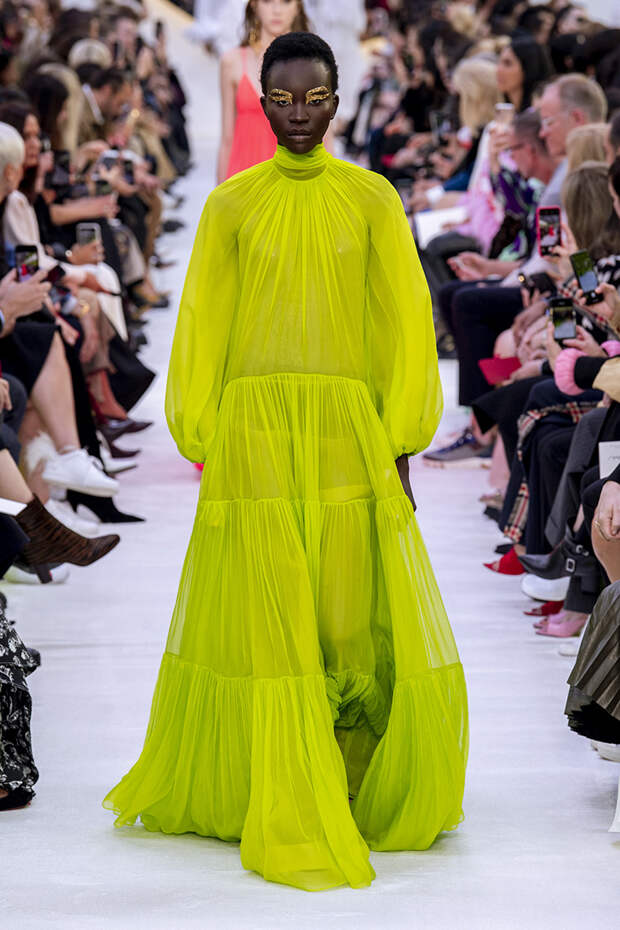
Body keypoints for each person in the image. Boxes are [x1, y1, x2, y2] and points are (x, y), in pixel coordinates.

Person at [104, 33, 468, 892]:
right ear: (260, 101)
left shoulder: (372, 199)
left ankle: (342, 776)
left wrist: (401, 436)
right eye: (283, 99)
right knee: (270, 621)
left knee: (344, 617)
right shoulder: (231, 205)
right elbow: (203, 321)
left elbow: (404, 318)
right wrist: (203, 429)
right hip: (257, 433)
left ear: (336, 102)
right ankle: (270, 783)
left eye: (315, 99)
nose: (299, 114)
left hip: (343, 430)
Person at [217, 0, 310, 182]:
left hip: (294, 180)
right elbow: (227, 139)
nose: (277, 10)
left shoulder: (313, 63)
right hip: (244, 180)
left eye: (286, 1)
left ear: (298, 6)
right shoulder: (232, 62)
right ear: (254, 5)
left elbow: (325, 138)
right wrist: (219, 194)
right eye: (267, 1)